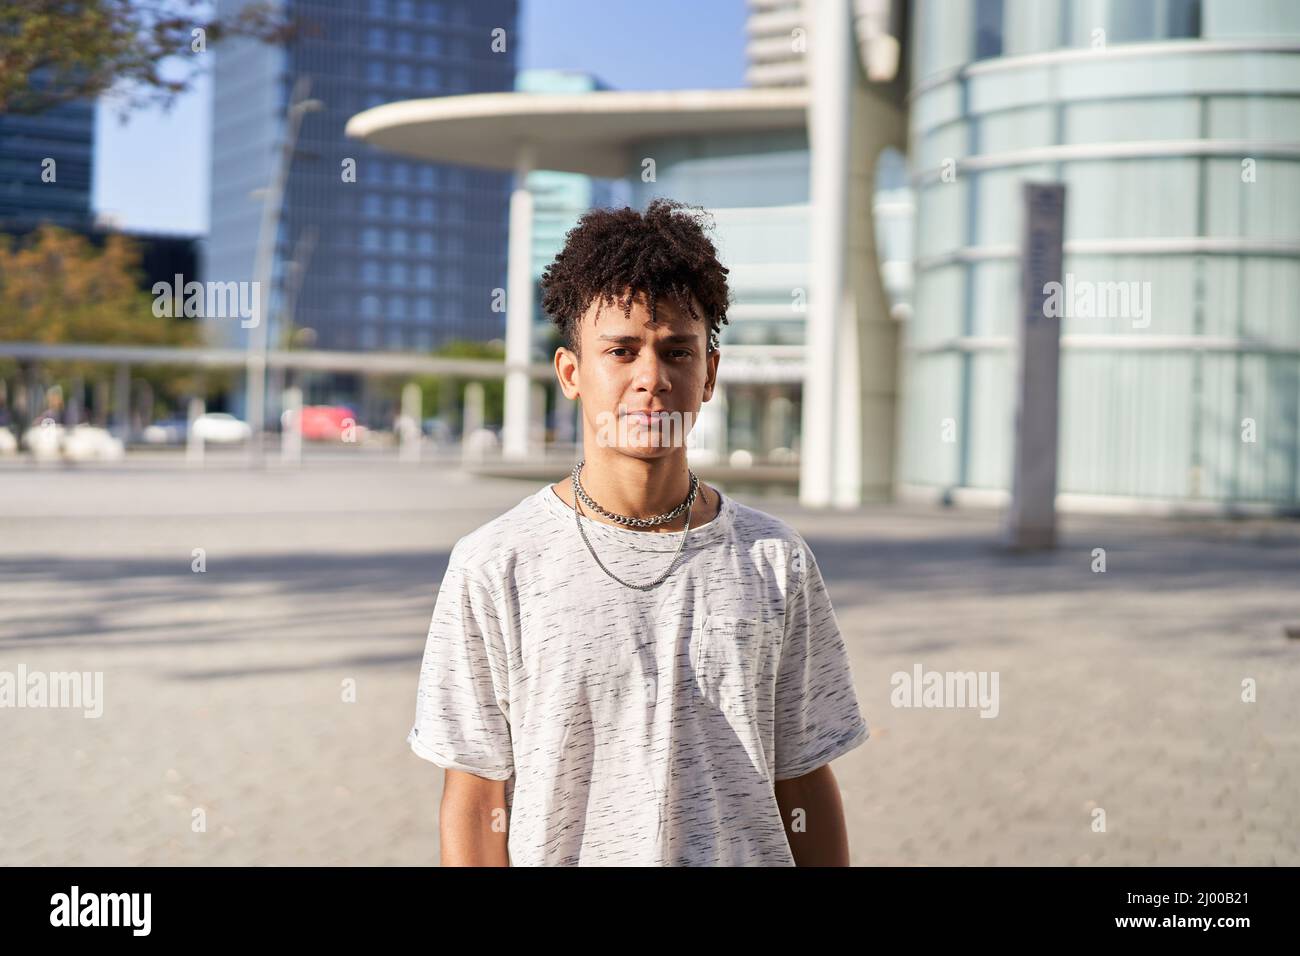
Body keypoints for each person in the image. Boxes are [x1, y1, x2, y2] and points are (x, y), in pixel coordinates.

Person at [407, 198, 868, 866]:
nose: (650, 379)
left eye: (676, 351)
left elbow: (803, 775)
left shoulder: (774, 560)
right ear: (572, 373)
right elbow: (479, 795)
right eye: (620, 351)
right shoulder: (496, 563)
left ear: (708, 374)